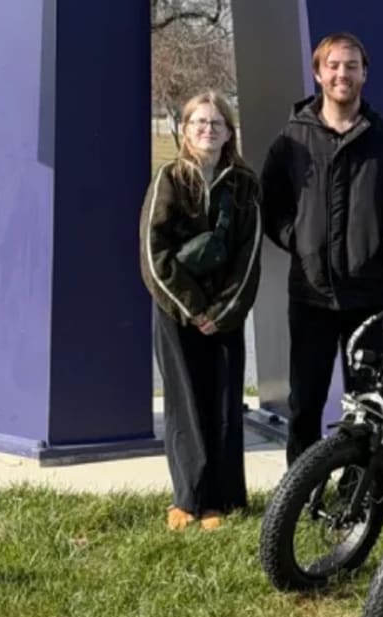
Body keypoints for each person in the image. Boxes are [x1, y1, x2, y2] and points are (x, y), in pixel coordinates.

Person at [261, 33, 383, 464]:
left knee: (368, 400)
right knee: (305, 403)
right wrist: (299, 241)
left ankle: (362, 489)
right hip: (310, 293)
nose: (342, 74)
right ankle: (301, 491)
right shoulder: (292, 139)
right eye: (333, 65)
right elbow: (271, 204)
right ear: (318, 73)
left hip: (370, 294)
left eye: (352, 66)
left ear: (364, 74)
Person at [140, 91, 263, 531]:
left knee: (225, 404)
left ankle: (223, 500)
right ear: (185, 129)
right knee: (186, 404)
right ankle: (188, 498)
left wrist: (222, 310)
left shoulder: (244, 185)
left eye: (216, 123)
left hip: (225, 315)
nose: (208, 130)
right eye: (199, 122)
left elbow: (249, 257)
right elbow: (156, 255)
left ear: (229, 132)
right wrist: (193, 309)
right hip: (177, 315)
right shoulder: (169, 180)